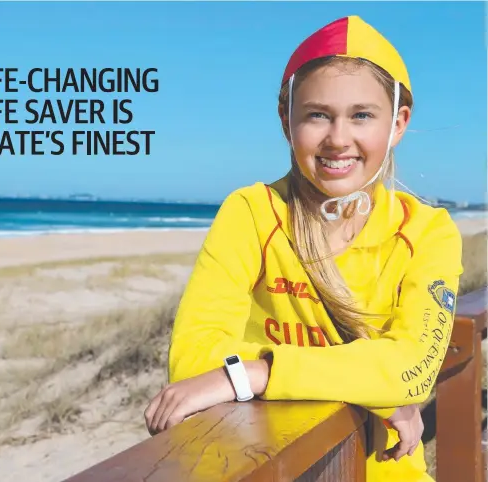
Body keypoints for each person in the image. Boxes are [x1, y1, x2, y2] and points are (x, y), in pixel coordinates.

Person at [144, 15, 462, 482]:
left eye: (361, 115)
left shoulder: (428, 231)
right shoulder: (253, 213)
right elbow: (193, 359)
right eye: (317, 114)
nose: (338, 139)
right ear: (285, 119)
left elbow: (412, 367)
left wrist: (255, 373)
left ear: (397, 123)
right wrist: (373, 384)